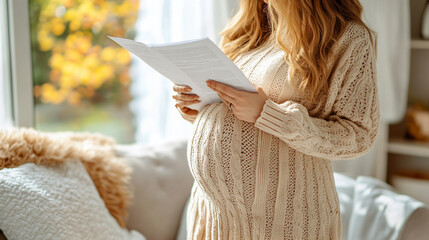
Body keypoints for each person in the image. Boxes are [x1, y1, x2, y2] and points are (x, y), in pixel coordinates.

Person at [173, 0, 379, 239]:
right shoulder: (250, 30)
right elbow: (235, 115)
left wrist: (268, 114)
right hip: (215, 216)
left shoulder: (348, 38)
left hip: (284, 221)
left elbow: (359, 136)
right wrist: (198, 109)